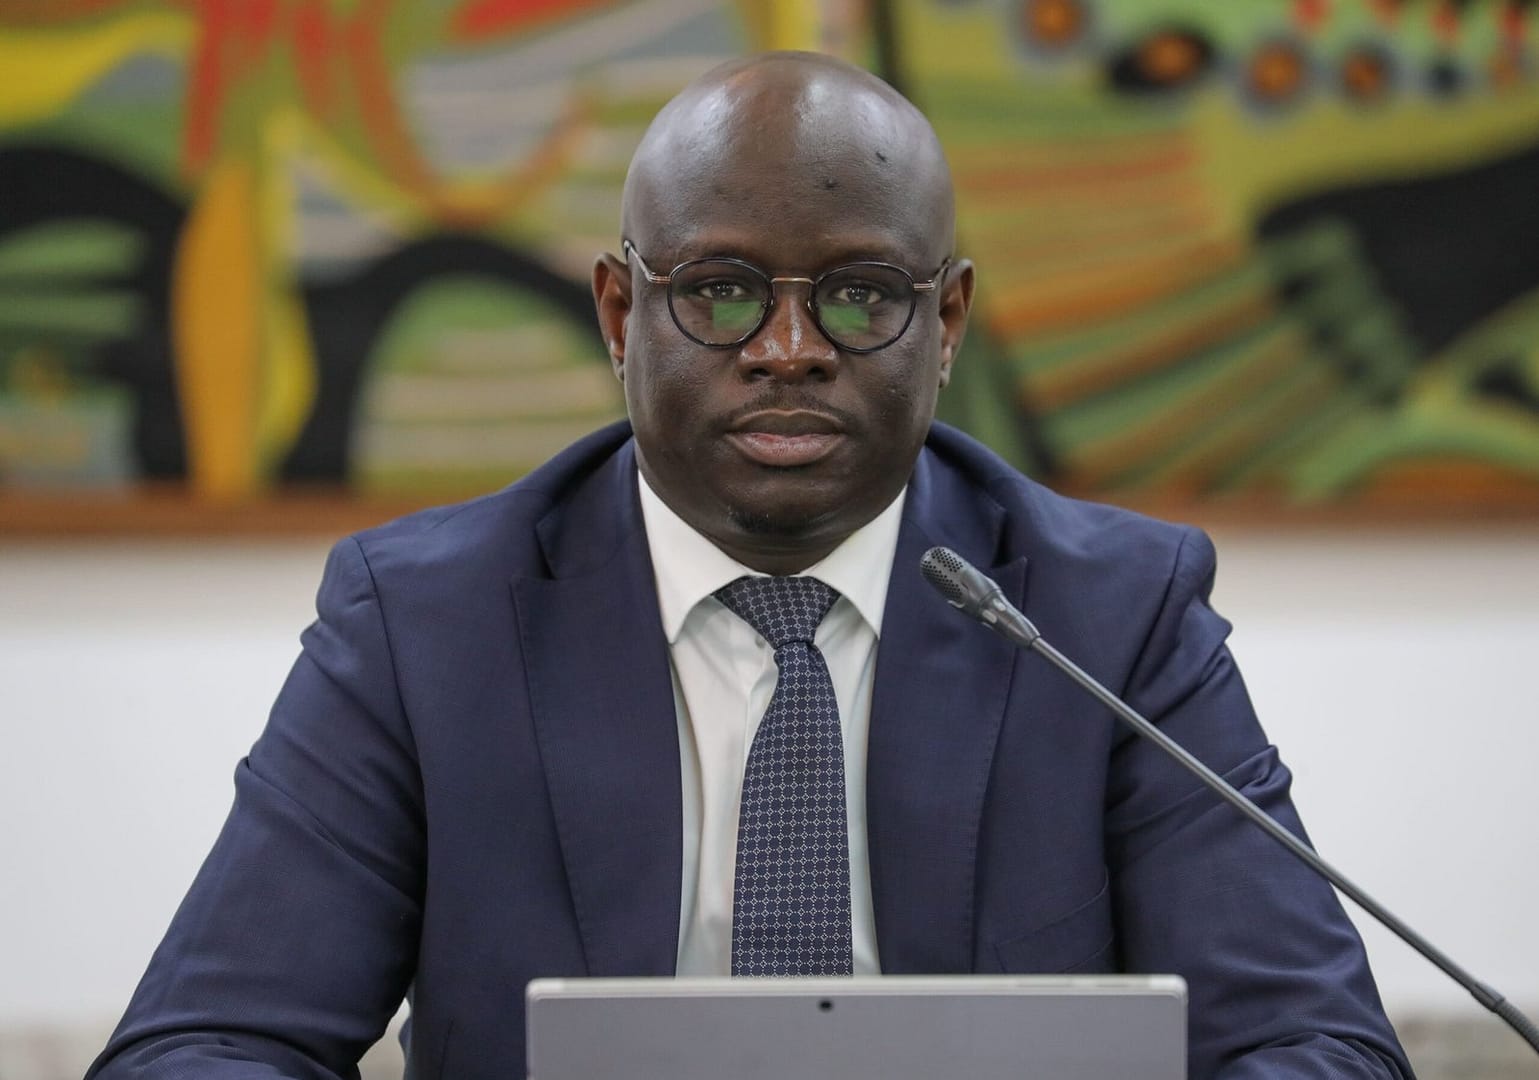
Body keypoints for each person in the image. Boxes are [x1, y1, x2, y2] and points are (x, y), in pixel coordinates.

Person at [90, 51, 1412, 1079]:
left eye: (861, 296)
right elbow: (206, 1043)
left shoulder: (1105, 616)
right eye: (720, 291)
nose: (789, 350)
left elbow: (1318, 1045)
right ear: (622, 313)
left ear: (948, 319)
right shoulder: (427, 625)